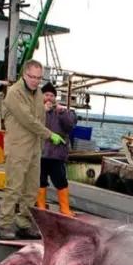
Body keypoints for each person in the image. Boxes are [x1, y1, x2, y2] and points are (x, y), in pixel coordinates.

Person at [0, 59, 65, 239]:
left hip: (35, 149)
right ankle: (5, 225)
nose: (35, 80)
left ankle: (24, 223)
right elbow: (28, 120)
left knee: (32, 189)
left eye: (38, 77)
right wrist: (49, 135)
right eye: (32, 76)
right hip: (18, 147)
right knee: (14, 187)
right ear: (24, 74)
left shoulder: (38, 94)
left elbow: (40, 116)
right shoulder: (14, 93)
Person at [37, 82, 78, 216]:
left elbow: (70, 126)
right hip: (40, 153)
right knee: (40, 181)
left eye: (52, 95)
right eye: (46, 94)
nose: (49, 97)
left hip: (57, 155)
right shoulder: (36, 109)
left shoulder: (63, 111)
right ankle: (41, 206)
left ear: (55, 97)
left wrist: (63, 113)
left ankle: (64, 208)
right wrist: (42, 110)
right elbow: (30, 123)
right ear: (41, 96)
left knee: (61, 181)